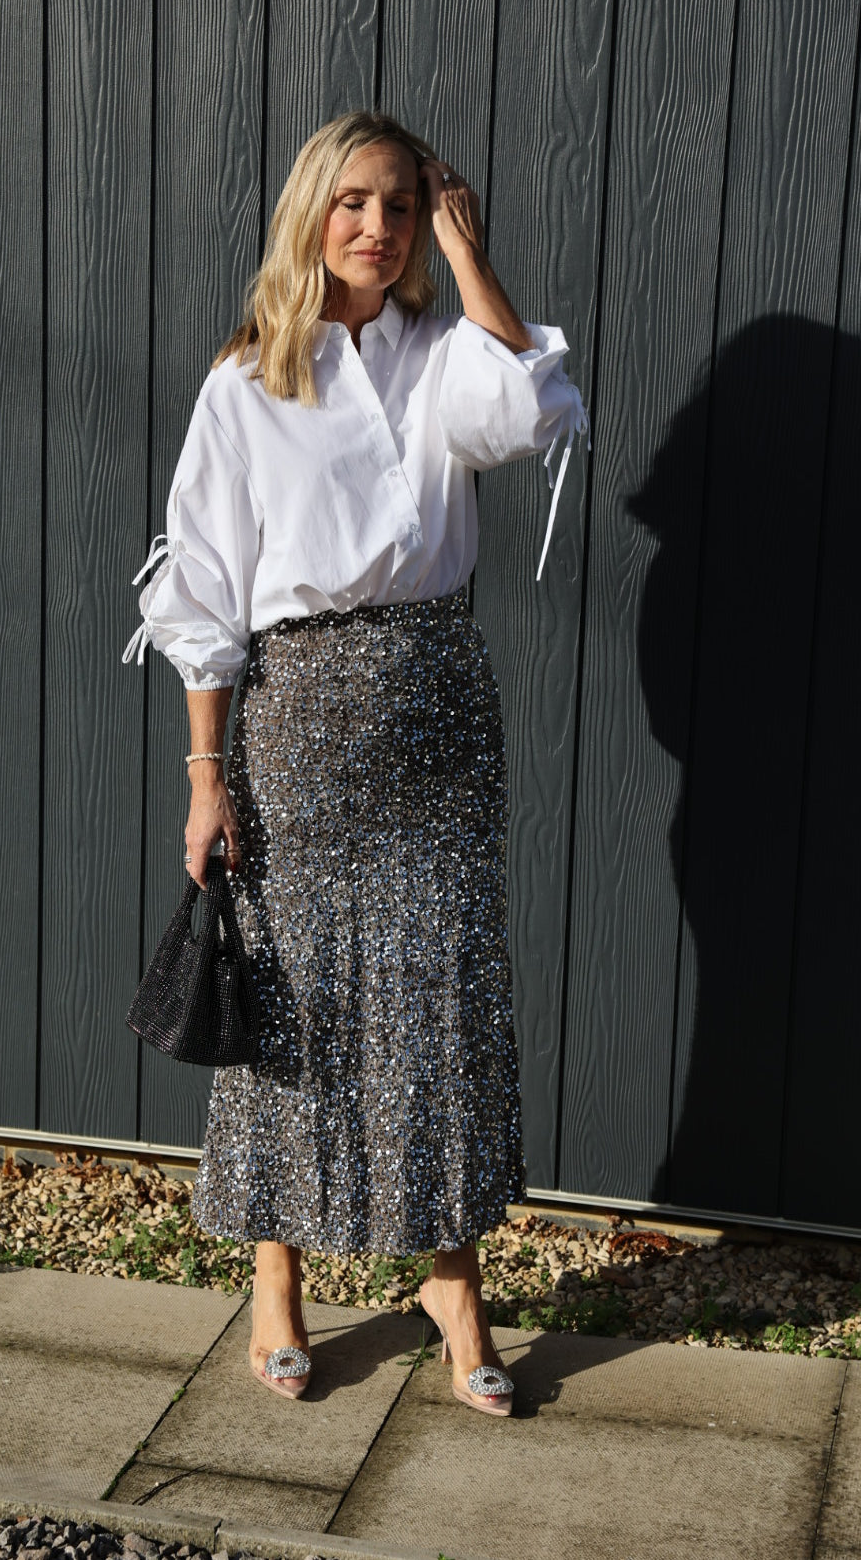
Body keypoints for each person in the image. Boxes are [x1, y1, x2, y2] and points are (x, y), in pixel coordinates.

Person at [122, 111, 588, 1416]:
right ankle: (277, 1275)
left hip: (439, 710)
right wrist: (207, 776)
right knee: (296, 1003)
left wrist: (473, 254)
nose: (377, 228)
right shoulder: (248, 380)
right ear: (309, 214)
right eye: (354, 203)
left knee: (441, 1004)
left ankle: (451, 1278)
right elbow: (204, 588)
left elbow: (533, 411)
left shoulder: (448, 352)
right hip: (299, 725)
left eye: (402, 205)